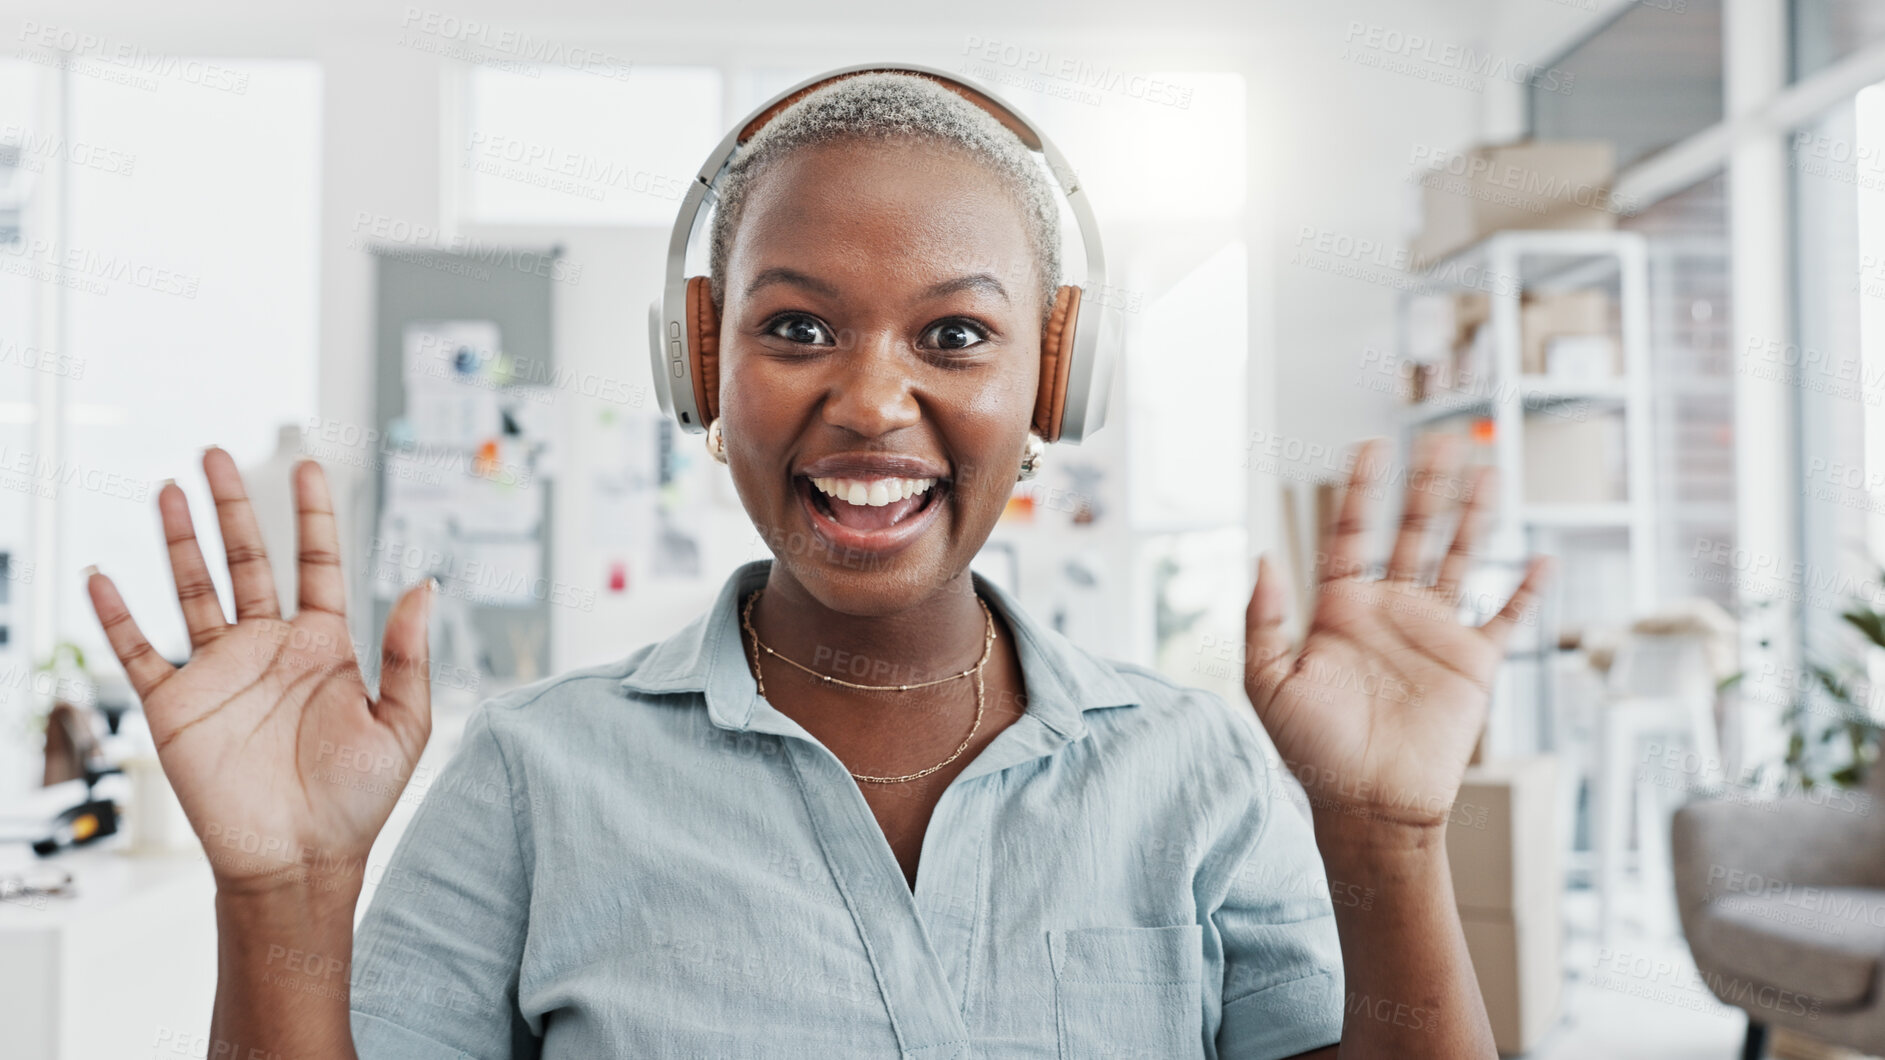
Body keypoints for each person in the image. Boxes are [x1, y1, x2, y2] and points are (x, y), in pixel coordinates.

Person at [83, 72, 1550, 1058]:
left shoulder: (1191, 776)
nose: (866, 399)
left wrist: (1383, 841)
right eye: (793, 327)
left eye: (955, 335)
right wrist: (278, 899)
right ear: (699, 372)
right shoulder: (537, 776)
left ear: (1054, 387)